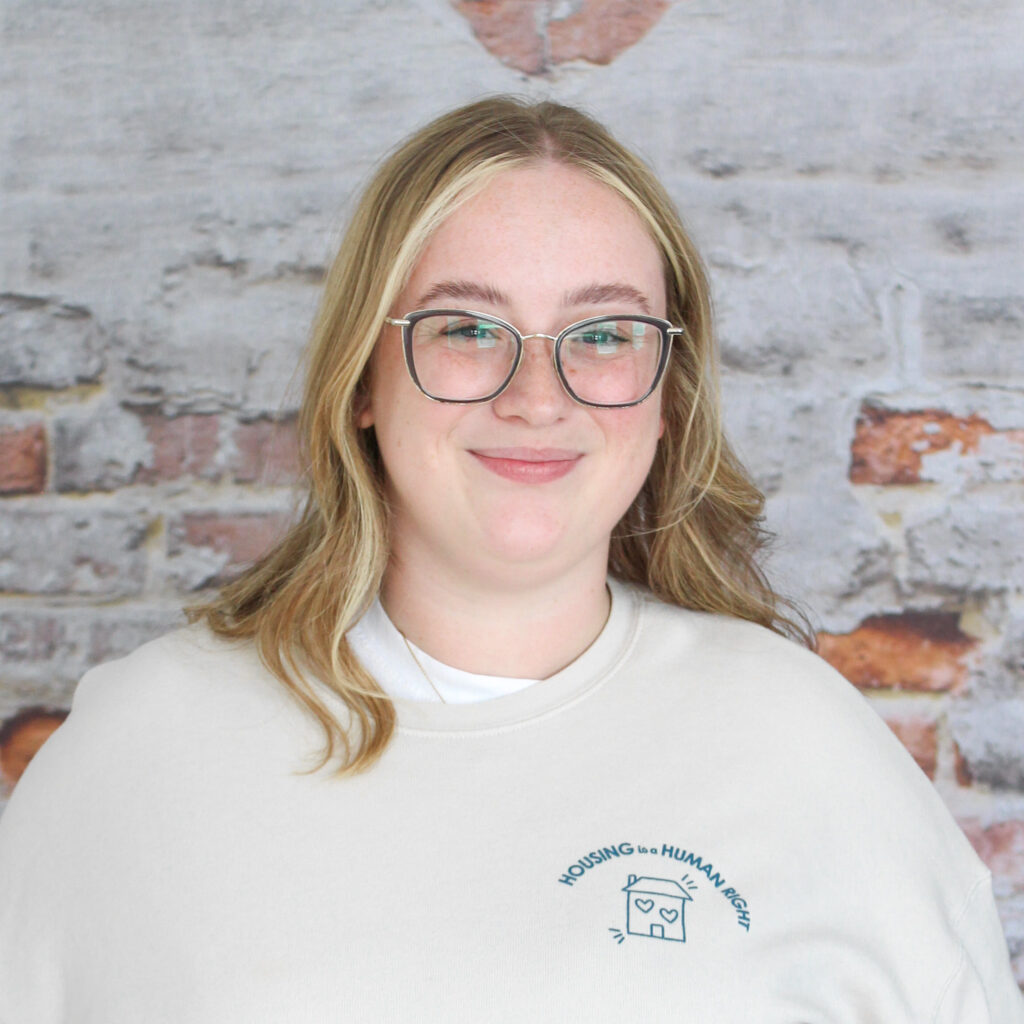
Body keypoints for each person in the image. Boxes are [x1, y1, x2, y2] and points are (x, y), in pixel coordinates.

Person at [0, 97, 1020, 1022]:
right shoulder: (141, 751)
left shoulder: (810, 749)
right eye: (467, 327)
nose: (539, 393)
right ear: (362, 376)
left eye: (604, 332)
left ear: (667, 394)